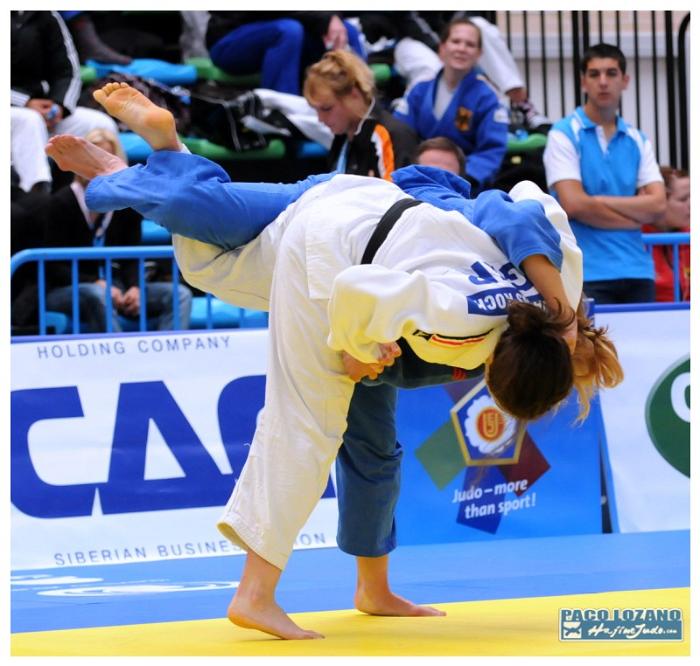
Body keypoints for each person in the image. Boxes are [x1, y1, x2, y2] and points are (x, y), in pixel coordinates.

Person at [46, 82, 623, 640]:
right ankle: (255, 594)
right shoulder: (461, 320)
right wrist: (356, 348)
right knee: (307, 423)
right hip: (335, 252)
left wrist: (562, 310)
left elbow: (525, 197)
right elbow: (356, 289)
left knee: (210, 263)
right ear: (492, 370)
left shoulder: (557, 290)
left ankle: (155, 159)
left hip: (361, 198)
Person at [543, 43, 667, 305]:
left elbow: (658, 205)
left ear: (625, 80)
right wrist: (634, 216)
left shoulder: (637, 138)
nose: (603, 82)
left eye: (611, 73)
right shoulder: (562, 134)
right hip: (585, 272)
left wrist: (596, 201)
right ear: (583, 82)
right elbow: (573, 204)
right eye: (594, 74)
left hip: (639, 270)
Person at [44, 128, 192, 333]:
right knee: (96, 294)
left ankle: (169, 352)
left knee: (179, 295)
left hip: (116, 286)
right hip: (66, 289)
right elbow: (52, 267)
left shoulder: (126, 204)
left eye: (106, 156)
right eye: (93, 156)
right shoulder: (59, 203)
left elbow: (131, 257)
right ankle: (120, 352)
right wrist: (95, 282)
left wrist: (135, 287)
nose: (98, 163)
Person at [393, 18, 509, 193]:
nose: (462, 48)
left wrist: (460, 178)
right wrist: (410, 172)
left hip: (464, 187)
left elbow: (491, 151)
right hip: (417, 181)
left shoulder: (488, 97)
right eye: (456, 41)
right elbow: (400, 133)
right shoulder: (419, 89)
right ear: (442, 48)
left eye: (470, 44)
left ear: (479, 54)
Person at [10, 10, 122, 193]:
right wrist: (25, 102)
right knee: (29, 121)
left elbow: (68, 71)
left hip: (44, 110)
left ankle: (105, 199)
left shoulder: (46, 15)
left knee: (100, 124)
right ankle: (36, 199)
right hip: (17, 112)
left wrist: (59, 105)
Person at [303, 50, 418, 178]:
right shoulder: (343, 138)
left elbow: (398, 190)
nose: (320, 119)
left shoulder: (392, 136)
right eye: (316, 110)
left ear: (354, 95)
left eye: (326, 108)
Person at [206, 12, 365, 96]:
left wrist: (332, 16)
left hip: (297, 25)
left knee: (347, 31)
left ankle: (362, 117)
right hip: (231, 37)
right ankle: (283, 119)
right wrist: (325, 17)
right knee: (288, 31)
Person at [641, 166, 690, 302]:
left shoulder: (690, 237)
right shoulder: (636, 242)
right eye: (683, 199)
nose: (692, 205)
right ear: (659, 203)